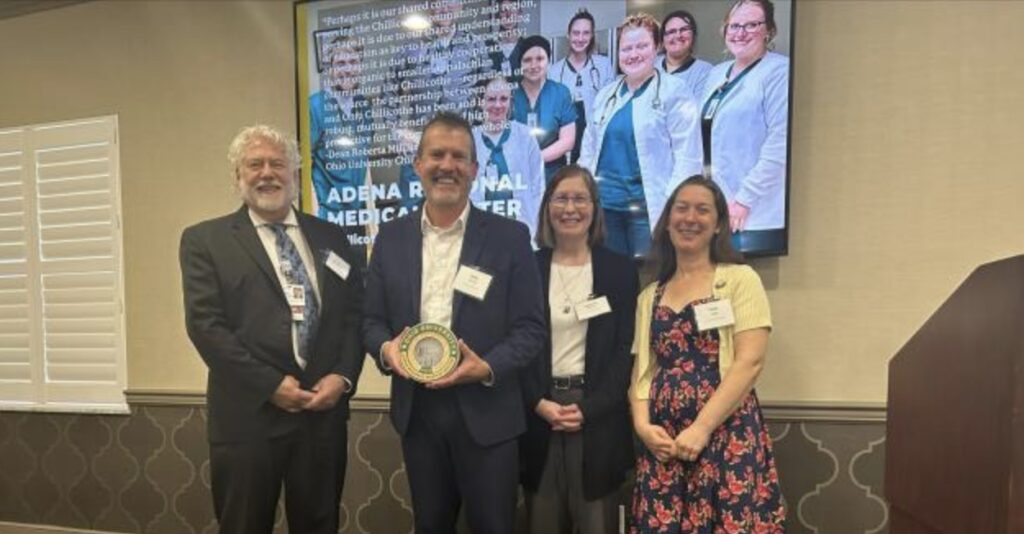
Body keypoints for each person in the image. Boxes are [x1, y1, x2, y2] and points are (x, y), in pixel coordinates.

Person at [363, 112, 546, 533]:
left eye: (459, 156)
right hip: (419, 415)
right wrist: (388, 351)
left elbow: (531, 328)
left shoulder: (510, 237)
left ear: (475, 170)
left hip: (488, 413)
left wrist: (487, 367)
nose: (447, 165)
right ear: (418, 165)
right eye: (437, 155)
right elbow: (370, 321)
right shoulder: (389, 239)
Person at [179, 125, 365, 534]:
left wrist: (343, 376)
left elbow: (353, 317)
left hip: (322, 415)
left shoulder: (332, 238)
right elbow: (206, 327)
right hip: (248, 418)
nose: (267, 173)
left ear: (295, 175)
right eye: (255, 164)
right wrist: (270, 385)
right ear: (238, 177)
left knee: (320, 525)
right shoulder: (205, 241)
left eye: (278, 164)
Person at [629, 175, 785, 532]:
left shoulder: (740, 280)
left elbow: (750, 361)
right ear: (667, 221)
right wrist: (643, 426)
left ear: (718, 225)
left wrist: (701, 428)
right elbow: (642, 372)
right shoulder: (649, 295)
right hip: (664, 443)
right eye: (681, 209)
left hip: (725, 435)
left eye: (702, 210)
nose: (690, 218)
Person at [520, 165, 638, 533]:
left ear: (595, 207)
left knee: (596, 524)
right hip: (538, 414)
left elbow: (625, 351)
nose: (570, 208)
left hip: (598, 417)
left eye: (580, 198)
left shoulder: (619, 270)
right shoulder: (527, 267)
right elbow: (516, 345)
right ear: (547, 207)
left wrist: (588, 408)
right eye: (561, 198)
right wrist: (538, 403)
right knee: (542, 522)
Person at [578, 13, 702, 259]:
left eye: (641, 46)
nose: (633, 54)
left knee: (652, 282)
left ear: (656, 47)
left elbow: (688, 158)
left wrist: (673, 208)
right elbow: (588, 153)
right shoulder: (606, 96)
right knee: (614, 285)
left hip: (649, 211)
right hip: (606, 211)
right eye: (626, 48)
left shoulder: (674, 92)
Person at [699, 0, 789, 251]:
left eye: (751, 25)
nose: (740, 33)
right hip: (716, 206)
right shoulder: (717, 74)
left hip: (753, 213)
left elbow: (780, 142)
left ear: (768, 29)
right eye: (734, 25)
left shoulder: (778, 72)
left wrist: (744, 199)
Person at [387, 0, 489, 208]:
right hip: (419, 151)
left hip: (461, 153)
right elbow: (388, 91)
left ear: (459, 6)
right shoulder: (410, 47)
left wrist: (480, 133)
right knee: (411, 218)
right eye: (437, 2)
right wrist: (397, 133)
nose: (443, 7)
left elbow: (489, 90)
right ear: (429, 7)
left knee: (463, 216)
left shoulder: (475, 44)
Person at [309, 35, 371, 241]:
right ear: (330, 69)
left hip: (358, 218)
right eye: (341, 63)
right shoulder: (315, 107)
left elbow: (365, 164)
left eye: (353, 62)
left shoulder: (364, 107)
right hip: (328, 219)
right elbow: (303, 166)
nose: (347, 69)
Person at [471, 76, 544, 239]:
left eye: (503, 99)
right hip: (481, 235)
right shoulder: (470, 140)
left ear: (510, 102)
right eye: (491, 99)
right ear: (480, 102)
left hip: (521, 232)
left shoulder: (526, 137)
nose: (497, 105)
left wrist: (534, 231)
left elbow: (538, 189)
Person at [548, 9, 615, 164]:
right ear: (568, 35)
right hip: (564, 144)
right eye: (576, 33)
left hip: (595, 140)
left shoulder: (603, 66)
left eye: (586, 33)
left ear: (592, 36)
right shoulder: (554, 71)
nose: (580, 38)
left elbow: (611, 106)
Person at [513, 35, 578, 181]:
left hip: (552, 176)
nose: (534, 65)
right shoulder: (510, 94)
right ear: (520, 64)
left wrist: (536, 159)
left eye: (540, 59)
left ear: (548, 61)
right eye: (527, 60)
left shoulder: (561, 93)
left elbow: (568, 141)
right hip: (516, 175)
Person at [655, 10, 713, 102]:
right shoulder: (650, 64)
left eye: (684, 29)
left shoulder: (705, 71)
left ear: (693, 35)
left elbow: (697, 112)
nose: (678, 35)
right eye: (671, 31)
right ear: (662, 39)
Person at [486, 0, 527, 80]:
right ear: (497, 15)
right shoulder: (486, 47)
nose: (509, 15)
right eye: (503, 11)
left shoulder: (527, 47)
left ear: (519, 14)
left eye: (513, 10)